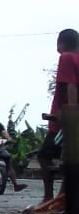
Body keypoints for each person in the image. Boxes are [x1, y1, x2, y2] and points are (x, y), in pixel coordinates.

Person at [37, 28, 79, 204]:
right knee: (70, 157)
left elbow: (71, 85)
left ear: (61, 43)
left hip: (64, 120)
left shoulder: (67, 57)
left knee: (45, 155)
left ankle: (49, 197)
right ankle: (64, 197)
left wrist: (71, 111)